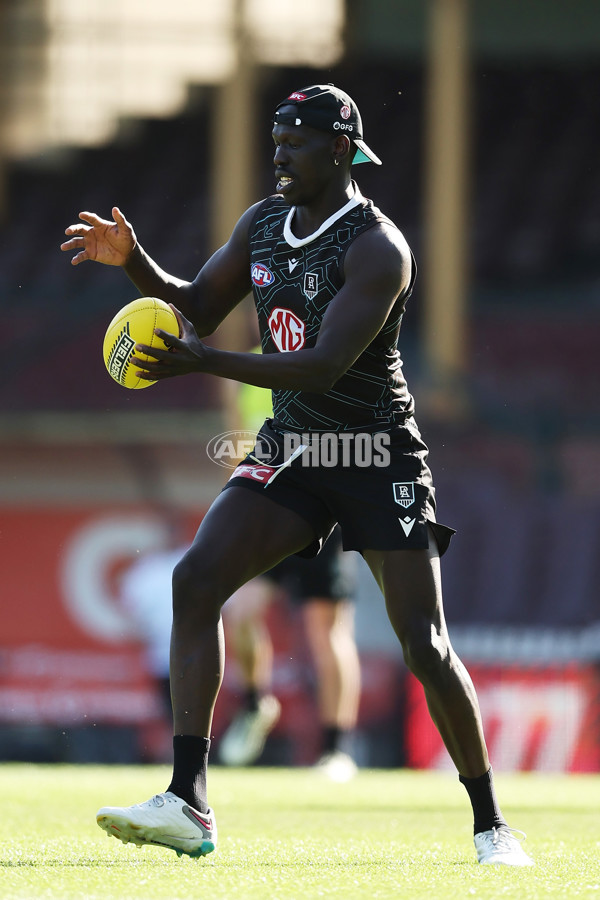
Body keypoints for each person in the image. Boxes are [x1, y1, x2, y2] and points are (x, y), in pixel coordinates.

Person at [61, 83, 533, 866]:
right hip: (294, 447)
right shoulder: (260, 224)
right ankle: (188, 799)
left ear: (342, 150)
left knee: (424, 646)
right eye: (275, 140)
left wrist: (200, 363)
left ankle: (491, 823)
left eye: (298, 141)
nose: (279, 153)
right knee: (196, 580)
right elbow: (197, 307)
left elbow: (320, 364)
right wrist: (135, 260)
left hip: (377, 456)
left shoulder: (378, 247)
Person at [220, 525, 360, 783]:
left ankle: (336, 749)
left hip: (325, 516)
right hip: (277, 517)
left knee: (328, 632)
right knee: (240, 612)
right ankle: (255, 705)